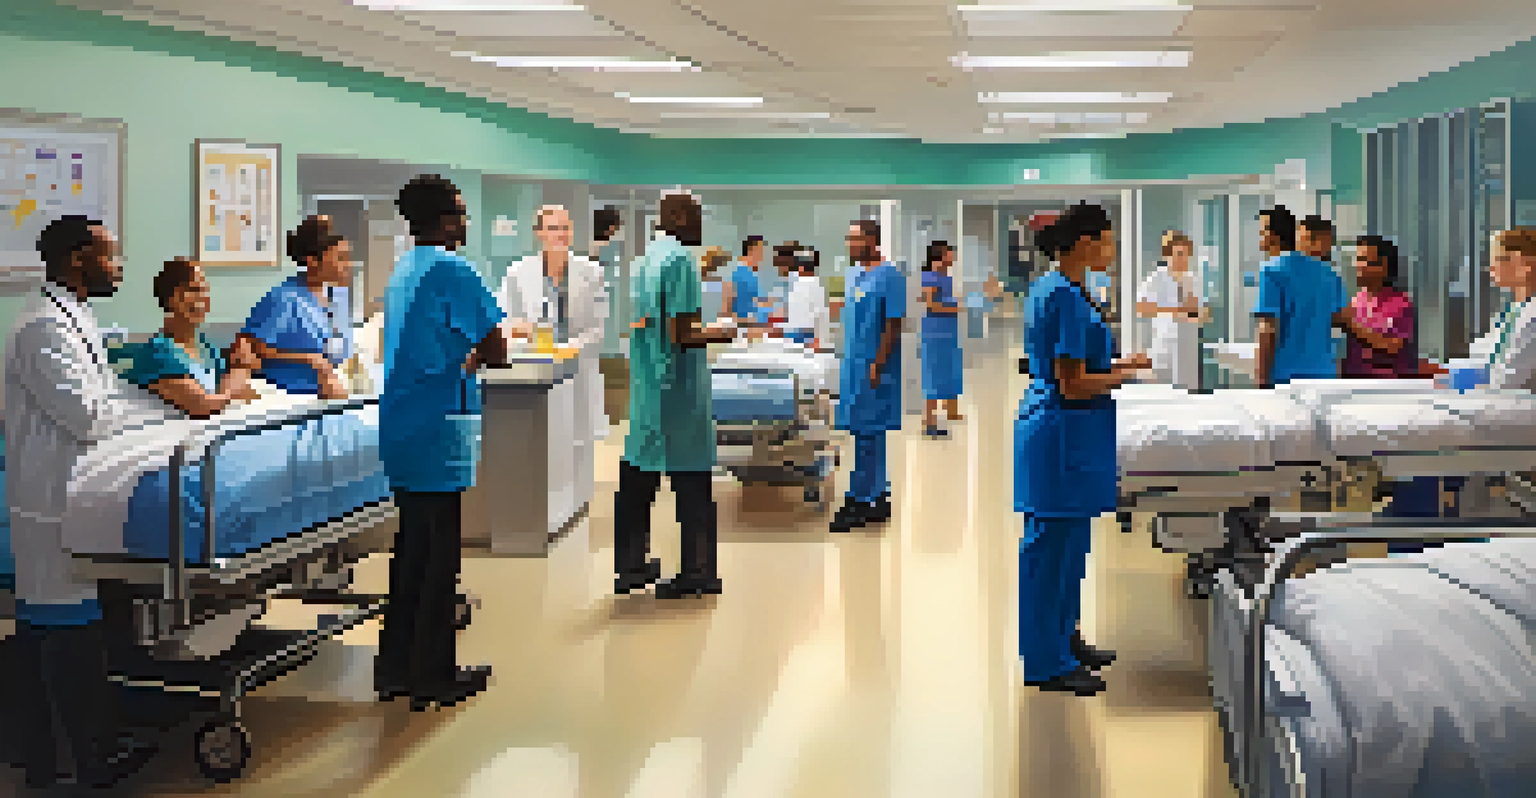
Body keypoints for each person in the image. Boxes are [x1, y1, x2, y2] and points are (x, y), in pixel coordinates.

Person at [4, 215, 159, 788]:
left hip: (72, 491)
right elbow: (90, 414)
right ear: (77, 260)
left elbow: (108, 394)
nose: (118, 266)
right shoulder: (44, 327)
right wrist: (157, 416)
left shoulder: (74, 318)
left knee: (60, 628)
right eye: (110, 256)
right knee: (63, 631)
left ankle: (51, 756)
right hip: (49, 498)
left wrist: (165, 409)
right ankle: (83, 759)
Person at [375, 174, 508, 711]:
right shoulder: (454, 268)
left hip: (402, 425)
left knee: (410, 553)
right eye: (460, 212)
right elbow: (495, 348)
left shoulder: (403, 269)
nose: (465, 221)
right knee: (438, 560)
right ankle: (434, 674)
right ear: (445, 219)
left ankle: (396, 668)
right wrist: (469, 360)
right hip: (437, 425)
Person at [1016, 202, 1151, 697]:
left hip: (1066, 431)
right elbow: (1072, 384)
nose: (1112, 250)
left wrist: (1118, 361)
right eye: (1108, 241)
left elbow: (1075, 364)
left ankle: (1064, 639)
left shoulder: (1061, 289)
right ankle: (1045, 662)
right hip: (1060, 432)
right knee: (1050, 550)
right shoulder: (1067, 298)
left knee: (1071, 548)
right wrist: (1127, 372)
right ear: (1084, 243)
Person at [613, 192, 736, 598]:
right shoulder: (681, 259)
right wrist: (722, 331)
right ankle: (699, 572)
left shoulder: (643, 261)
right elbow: (683, 334)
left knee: (637, 478)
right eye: (698, 216)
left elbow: (649, 322)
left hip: (648, 386)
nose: (701, 226)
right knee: (692, 484)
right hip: (679, 391)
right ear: (679, 216)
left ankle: (631, 566)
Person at [496, 204, 610, 492]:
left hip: (577, 365)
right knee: (543, 439)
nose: (558, 234)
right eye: (551, 228)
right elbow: (506, 320)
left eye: (564, 228)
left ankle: (579, 499)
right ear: (539, 233)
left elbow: (598, 329)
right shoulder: (517, 274)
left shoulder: (592, 272)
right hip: (535, 366)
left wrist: (569, 348)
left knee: (578, 440)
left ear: (571, 232)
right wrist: (524, 335)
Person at [111, 257, 263, 418]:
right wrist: (240, 370)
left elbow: (243, 392)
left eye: (204, 290)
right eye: (193, 290)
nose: (202, 299)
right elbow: (202, 404)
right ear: (170, 298)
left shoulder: (205, 347)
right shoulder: (158, 353)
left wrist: (233, 382)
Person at [830, 219, 905, 534]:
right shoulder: (854, 275)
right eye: (848, 238)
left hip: (874, 366)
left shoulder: (890, 277)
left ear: (872, 240)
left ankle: (861, 498)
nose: (850, 244)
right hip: (854, 363)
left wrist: (877, 364)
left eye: (855, 239)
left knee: (868, 433)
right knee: (864, 433)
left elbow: (894, 323)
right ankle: (877, 492)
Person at [238, 215, 354, 399]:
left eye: (348, 257)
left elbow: (339, 349)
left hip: (332, 393)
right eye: (340, 258)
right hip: (290, 398)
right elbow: (251, 348)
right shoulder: (284, 298)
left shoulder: (337, 296)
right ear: (312, 261)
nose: (348, 265)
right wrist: (309, 359)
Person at [1253, 208, 1346, 388]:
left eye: (1262, 232)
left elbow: (1268, 329)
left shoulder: (1272, 271)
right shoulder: (1330, 274)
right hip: (1324, 373)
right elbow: (1338, 322)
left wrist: (1261, 381)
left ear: (1273, 236)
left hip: (1287, 376)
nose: (1259, 237)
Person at [1441, 227, 1536, 391]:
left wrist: (1452, 379)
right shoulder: (1513, 312)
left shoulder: (1531, 316)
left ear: (1525, 265)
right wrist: (1441, 371)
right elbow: (1481, 354)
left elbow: (1507, 379)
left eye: (1499, 259)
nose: (1490, 268)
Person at [1337, 235, 1419, 379]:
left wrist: (1350, 325)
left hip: (1388, 389)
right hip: (1353, 387)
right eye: (1358, 259)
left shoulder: (1401, 304)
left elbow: (1392, 346)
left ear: (1384, 266)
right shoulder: (1354, 301)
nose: (1358, 266)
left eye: (1364, 261)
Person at [1136, 231, 1206, 390]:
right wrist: (1175, 310)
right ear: (1168, 255)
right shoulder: (1156, 279)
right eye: (1179, 254)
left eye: (1187, 254)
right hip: (1163, 350)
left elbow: (1202, 312)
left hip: (1189, 351)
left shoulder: (1193, 280)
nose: (1184, 259)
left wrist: (1196, 311)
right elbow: (1141, 308)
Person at [920, 240, 964, 437]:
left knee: (948, 370)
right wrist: (954, 307)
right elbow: (931, 305)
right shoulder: (930, 277)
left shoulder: (945, 277)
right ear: (940, 255)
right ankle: (929, 421)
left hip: (948, 333)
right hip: (935, 332)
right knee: (933, 375)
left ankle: (951, 410)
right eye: (949, 253)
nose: (952, 257)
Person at [591, 205, 626, 357]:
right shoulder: (600, 246)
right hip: (601, 291)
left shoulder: (606, 245)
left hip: (608, 290)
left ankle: (609, 350)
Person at [784, 246, 829, 348]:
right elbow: (821, 314)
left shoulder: (798, 285)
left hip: (799, 333)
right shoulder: (813, 284)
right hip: (804, 333)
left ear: (800, 268)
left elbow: (819, 314)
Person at [722, 235, 765, 323]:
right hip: (739, 323)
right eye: (761, 251)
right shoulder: (735, 271)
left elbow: (754, 300)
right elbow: (726, 301)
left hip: (753, 323)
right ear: (752, 251)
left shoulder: (754, 274)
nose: (762, 255)